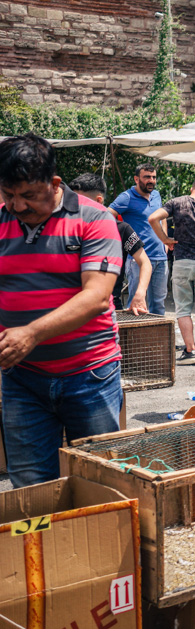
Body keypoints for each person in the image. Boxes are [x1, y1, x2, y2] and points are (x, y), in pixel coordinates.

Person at [0, 135, 124, 488]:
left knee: (101, 479)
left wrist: (31, 333)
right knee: (30, 487)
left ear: (55, 184)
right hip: (22, 377)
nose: (17, 205)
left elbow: (98, 296)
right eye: (8, 194)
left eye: (28, 195)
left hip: (90, 374)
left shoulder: (95, 218)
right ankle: (41, 544)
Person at [149, 175, 195, 365]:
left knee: (183, 308)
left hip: (181, 262)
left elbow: (153, 218)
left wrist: (165, 239)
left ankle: (190, 351)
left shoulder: (176, 202)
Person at [67, 173, 152, 316]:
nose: (74, 207)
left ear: (98, 201)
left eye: (79, 202)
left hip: (110, 308)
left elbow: (145, 263)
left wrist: (140, 294)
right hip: (72, 307)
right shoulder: (67, 228)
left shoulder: (121, 229)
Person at [109, 163, 168, 315]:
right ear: (136, 179)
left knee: (159, 305)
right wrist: (118, 241)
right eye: (147, 177)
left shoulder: (156, 195)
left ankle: (157, 338)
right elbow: (107, 216)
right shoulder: (126, 197)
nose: (151, 181)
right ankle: (135, 339)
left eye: (154, 177)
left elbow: (162, 218)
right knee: (136, 305)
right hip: (138, 258)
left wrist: (165, 241)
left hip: (160, 257)